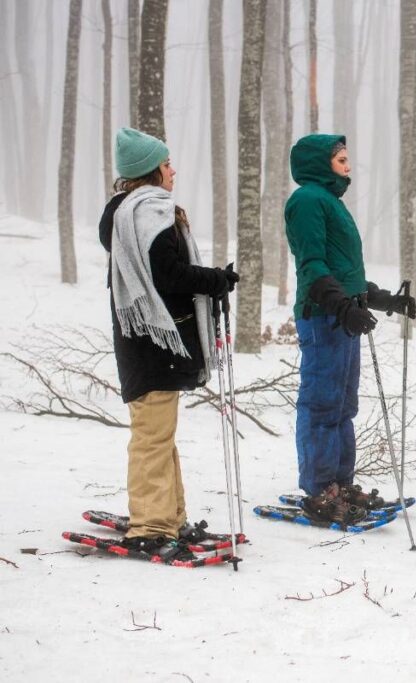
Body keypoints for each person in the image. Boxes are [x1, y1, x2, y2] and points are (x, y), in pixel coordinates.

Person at [98, 127, 239, 560]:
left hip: (147, 339)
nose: (172, 169)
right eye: (166, 163)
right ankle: (152, 524)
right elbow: (169, 276)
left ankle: (169, 517)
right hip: (155, 341)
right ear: (149, 170)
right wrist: (215, 279)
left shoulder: (126, 212)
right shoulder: (148, 213)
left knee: (159, 433)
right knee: (152, 437)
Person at [285, 134, 416, 525]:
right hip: (323, 315)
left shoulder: (330, 203)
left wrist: (384, 300)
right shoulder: (307, 200)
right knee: (322, 402)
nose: (348, 165)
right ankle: (320, 488)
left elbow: (345, 271)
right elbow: (313, 265)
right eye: (341, 159)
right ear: (320, 164)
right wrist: (341, 305)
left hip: (342, 314)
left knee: (343, 406)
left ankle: (340, 483)